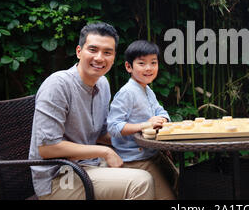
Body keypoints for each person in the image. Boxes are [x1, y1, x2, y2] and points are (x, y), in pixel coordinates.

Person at [29, 22, 155, 200]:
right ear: (79, 51)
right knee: (140, 182)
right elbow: (48, 148)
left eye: (107, 52)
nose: (99, 58)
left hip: (91, 166)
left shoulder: (102, 84)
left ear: (113, 57)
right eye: (93, 50)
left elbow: (103, 132)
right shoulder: (58, 85)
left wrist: (143, 135)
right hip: (61, 178)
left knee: (149, 164)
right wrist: (104, 152)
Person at [107, 40, 177, 200]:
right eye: (142, 63)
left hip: (152, 153)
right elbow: (113, 127)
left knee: (180, 182)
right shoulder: (127, 93)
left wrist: (164, 119)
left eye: (153, 62)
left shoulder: (147, 89)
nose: (149, 68)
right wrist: (146, 124)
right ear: (128, 67)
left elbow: (160, 110)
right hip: (134, 159)